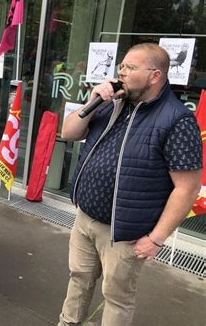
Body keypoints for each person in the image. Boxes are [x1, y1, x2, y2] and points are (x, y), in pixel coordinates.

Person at [58, 43, 202, 326]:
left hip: (124, 232)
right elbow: (68, 132)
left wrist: (157, 238)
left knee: (116, 297)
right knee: (79, 279)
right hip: (86, 218)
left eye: (130, 67)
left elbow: (187, 188)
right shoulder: (112, 102)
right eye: (121, 66)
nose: (121, 72)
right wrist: (93, 100)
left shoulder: (177, 120)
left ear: (155, 76)